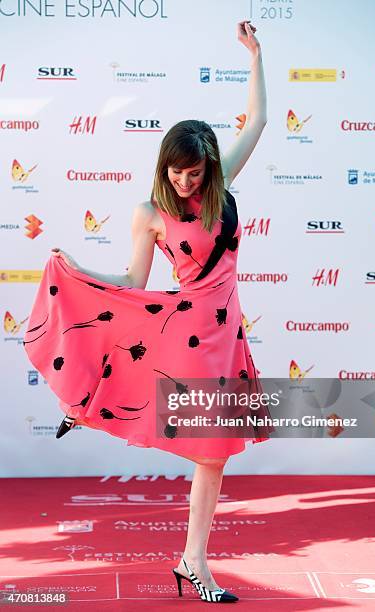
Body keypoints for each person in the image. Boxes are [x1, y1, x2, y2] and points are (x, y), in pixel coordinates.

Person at [24, 20, 268, 604]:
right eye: (175, 172)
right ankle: (82, 402)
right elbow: (134, 281)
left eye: (194, 173)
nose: (184, 182)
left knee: (215, 459)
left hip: (225, 334)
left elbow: (256, 121)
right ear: (163, 167)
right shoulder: (150, 213)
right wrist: (79, 268)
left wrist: (256, 55)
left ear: (209, 166)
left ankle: (192, 562)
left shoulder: (223, 183)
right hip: (186, 332)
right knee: (205, 448)